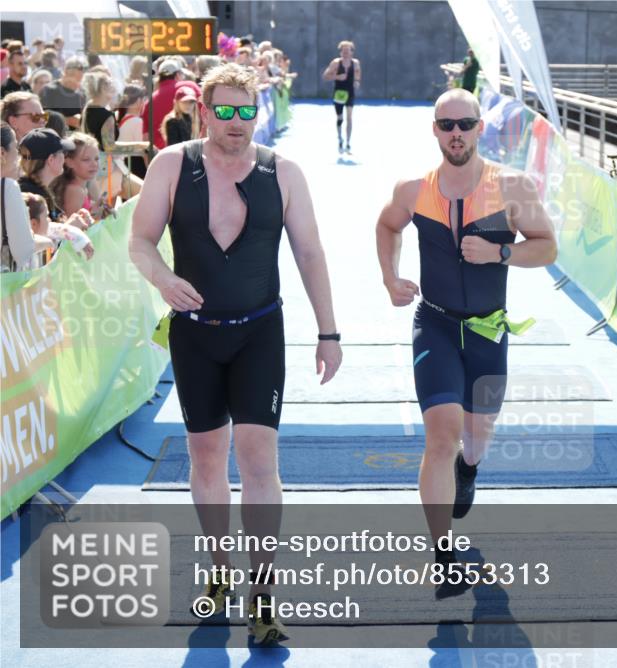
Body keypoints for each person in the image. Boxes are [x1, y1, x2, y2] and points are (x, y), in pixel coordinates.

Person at [129, 63, 343, 645]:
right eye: (224, 111)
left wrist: (329, 332)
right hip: (194, 333)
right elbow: (140, 239)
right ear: (204, 113)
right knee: (204, 459)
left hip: (258, 333)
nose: (236, 123)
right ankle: (220, 567)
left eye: (246, 112)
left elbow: (310, 253)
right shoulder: (173, 165)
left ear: (258, 112)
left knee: (258, 460)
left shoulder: (284, 172)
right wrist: (163, 279)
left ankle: (264, 590)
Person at [375, 88, 557, 599]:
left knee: (475, 438)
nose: (456, 133)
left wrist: (500, 254)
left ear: (480, 128)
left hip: (487, 330)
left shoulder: (512, 187)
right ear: (434, 130)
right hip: (433, 323)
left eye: (465, 123)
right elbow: (387, 225)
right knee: (441, 436)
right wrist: (390, 277)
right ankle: (444, 556)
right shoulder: (413, 189)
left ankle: (470, 469)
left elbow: (547, 247)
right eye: (446, 124)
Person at [82, 70, 146, 203]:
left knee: (106, 214)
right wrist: (141, 146)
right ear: (104, 89)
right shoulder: (106, 115)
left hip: (99, 167)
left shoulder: (88, 108)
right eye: (111, 85)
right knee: (146, 194)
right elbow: (110, 147)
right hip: (108, 169)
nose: (114, 88)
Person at [143, 59, 201, 151]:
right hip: (190, 152)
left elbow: (146, 137)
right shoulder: (189, 87)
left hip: (160, 155)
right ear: (177, 75)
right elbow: (206, 112)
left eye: (190, 102)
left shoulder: (148, 103)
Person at [23, 191, 94, 265]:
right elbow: (53, 229)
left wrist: (81, 240)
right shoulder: (24, 247)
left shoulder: (43, 235)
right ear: (33, 223)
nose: (49, 220)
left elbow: (55, 229)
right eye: (46, 216)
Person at [1, 123, 35, 272]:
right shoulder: (7, 187)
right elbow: (23, 252)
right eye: (15, 148)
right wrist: (48, 239)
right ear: (2, 153)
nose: (19, 155)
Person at [51, 132, 103, 219]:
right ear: (69, 162)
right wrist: (95, 213)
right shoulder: (75, 191)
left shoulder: (81, 187)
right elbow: (73, 227)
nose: (94, 164)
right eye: (86, 160)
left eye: (96, 159)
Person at [322, 40, 361, 154]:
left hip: (350, 93)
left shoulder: (355, 63)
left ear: (351, 52)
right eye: (343, 51)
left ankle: (348, 143)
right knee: (340, 118)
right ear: (340, 51)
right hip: (339, 93)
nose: (346, 53)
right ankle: (340, 139)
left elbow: (358, 76)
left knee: (349, 117)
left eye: (348, 51)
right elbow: (326, 76)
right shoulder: (336, 63)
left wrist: (357, 82)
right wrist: (337, 77)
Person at [39, 56, 86, 128]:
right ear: (66, 73)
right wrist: (67, 120)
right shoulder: (49, 90)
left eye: (80, 79)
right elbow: (40, 117)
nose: (78, 83)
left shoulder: (81, 94)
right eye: (76, 78)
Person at [117, 83, 148, 178]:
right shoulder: (137, 122)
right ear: (139, 101)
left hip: (124, 165)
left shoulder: (121, 118)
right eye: (144, 100)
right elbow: (144, 151)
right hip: (136, 166)